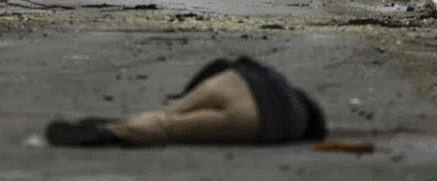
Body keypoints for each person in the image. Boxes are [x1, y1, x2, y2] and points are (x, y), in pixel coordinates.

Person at [45, 56, 327, 146]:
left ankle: (146, 117)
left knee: (169, 113)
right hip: (255, 118)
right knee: (172, 128)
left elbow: (222, 64)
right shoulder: (296, 122)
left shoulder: (278, 80)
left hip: (234, 80)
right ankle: (117, 132)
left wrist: (187, 94)